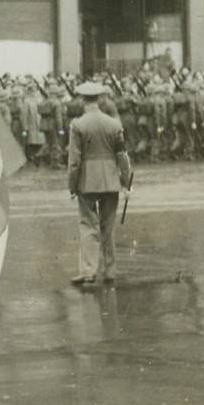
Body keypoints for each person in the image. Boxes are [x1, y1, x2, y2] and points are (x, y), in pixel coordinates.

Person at [67, 80, 133, 287]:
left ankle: (88, 271)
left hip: (87, 181)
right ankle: (110, 271)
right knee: (108, 226)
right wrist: (126, 183)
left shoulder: (78, 125)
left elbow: (74, 161)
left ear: (82, 99)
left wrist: (72, 186)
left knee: (88, 225)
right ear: (99, 98)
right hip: (110, 180)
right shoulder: (113, 124)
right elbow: (122, 156)